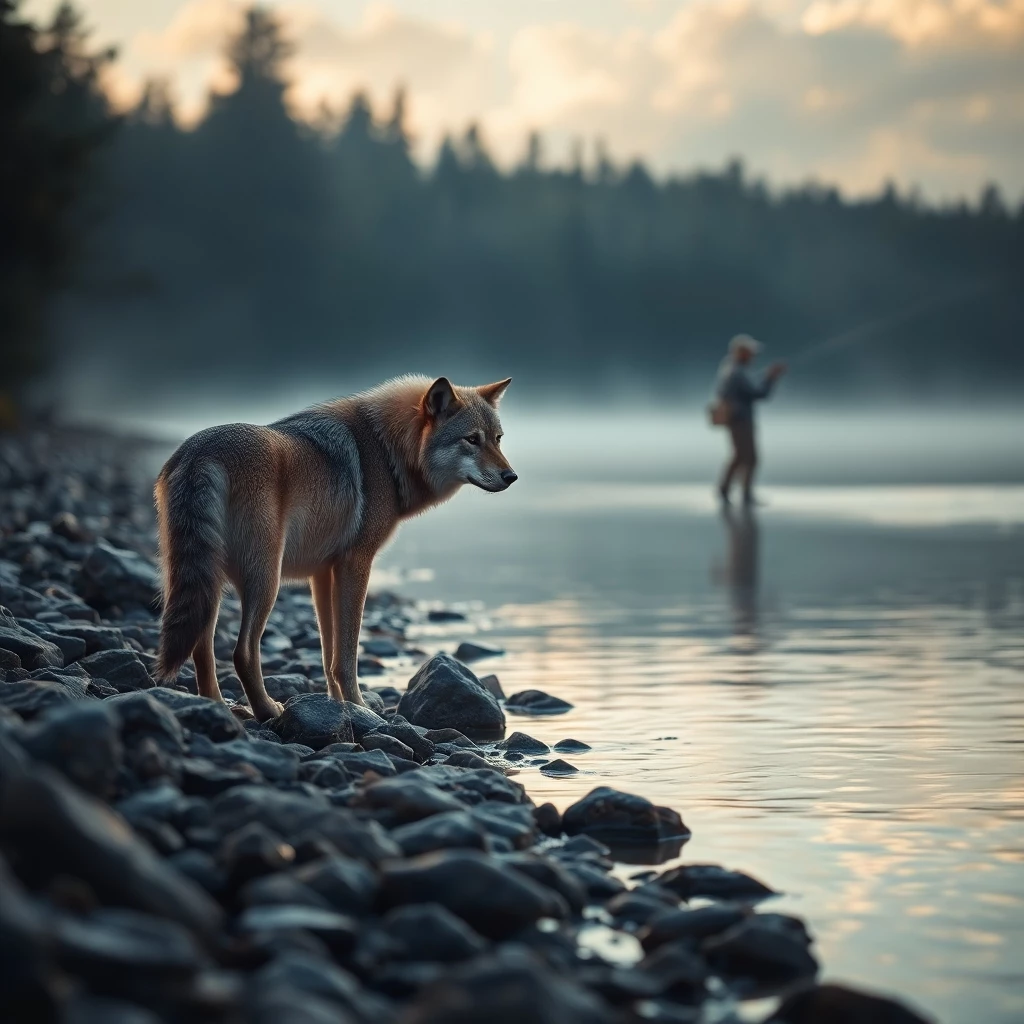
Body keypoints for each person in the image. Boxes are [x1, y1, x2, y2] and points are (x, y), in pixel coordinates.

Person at [714, 334, 786, 505]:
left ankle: (728, 490)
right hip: (740, 421)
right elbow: (759, 394)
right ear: (742, 353)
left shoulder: (730, 369)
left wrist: (767, 378)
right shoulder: (737, 372)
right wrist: (771, 378)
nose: (753, 356)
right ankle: (740, 493)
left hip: (737, 420)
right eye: (751, 353)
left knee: (741, 456)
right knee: (749, 457)